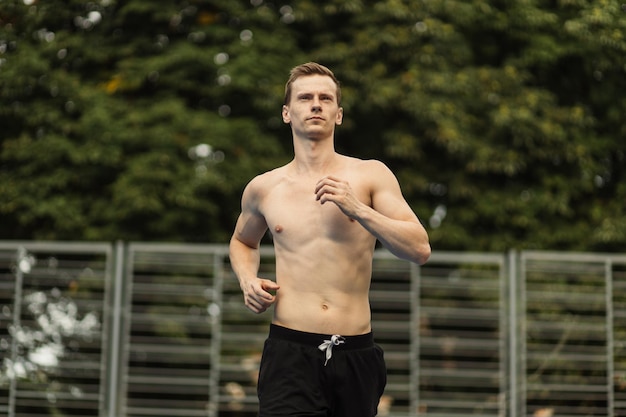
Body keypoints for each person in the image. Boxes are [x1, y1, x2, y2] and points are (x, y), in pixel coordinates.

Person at [229, 62, 431, 417]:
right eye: (306, 97)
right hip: (290, 352)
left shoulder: (370, 175)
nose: (316, 104)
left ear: (339, 114)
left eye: (326, 98)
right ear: (287, 113)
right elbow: (243, 242)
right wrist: (247, 280)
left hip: (356, 354)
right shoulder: (264, 188)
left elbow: (419, 248)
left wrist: (359, 210)